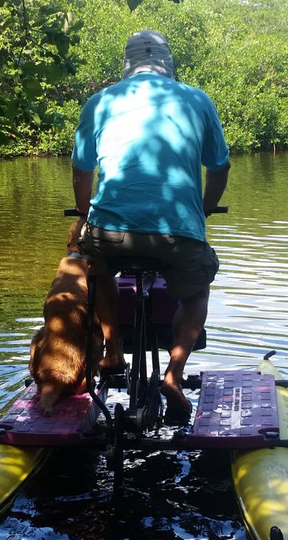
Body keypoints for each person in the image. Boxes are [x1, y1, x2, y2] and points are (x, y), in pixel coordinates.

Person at [71, 29, 230, 424]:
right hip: (178, 231)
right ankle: (173, 375)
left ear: (127, 65)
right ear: (168, 63)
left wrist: (85, 216)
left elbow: (80, 170)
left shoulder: (100, 101)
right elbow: (220, 167)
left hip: (109, 231)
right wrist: (203, 211)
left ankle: (112, 350)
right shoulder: (197, 99)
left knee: (99, 270)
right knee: (196, 290)